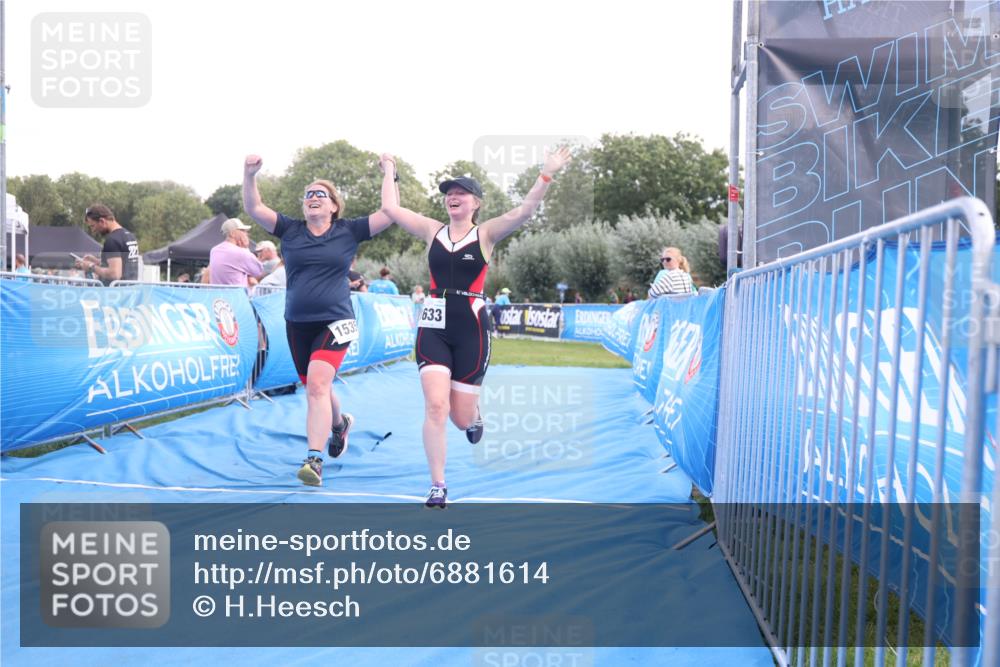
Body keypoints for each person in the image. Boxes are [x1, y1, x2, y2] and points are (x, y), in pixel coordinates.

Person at [379, 148, 571, 508]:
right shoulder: (432, 230)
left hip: (471, 326)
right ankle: (438, 484)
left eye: (461, 192)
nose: (452, 196)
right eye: (449, 192)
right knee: (435, 407)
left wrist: (545, 174)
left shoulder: (486, 233)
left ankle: (474, 415)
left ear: (476, 203)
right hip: (434, 323)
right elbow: (391, 209)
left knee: (459, 416)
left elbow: (525, 211)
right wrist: (389, 169)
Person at [243, 154, 395, 487]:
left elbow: (388, 213)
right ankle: (339, 425)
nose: (312, 197)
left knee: (317, 386)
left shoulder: (348, 230)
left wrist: (390, 174)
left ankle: (314, 459)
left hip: (336, 320)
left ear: (334, 206)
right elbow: (254, 209)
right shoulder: (290, 230)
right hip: (297, 322)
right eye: (308, 194)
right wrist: (249, 174)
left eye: (320, 194)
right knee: (316, 387)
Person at [75, 204, 139, 285]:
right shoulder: (129, 235)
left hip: (116, 294)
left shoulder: (112, 240)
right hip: (131, 291)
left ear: (102, 221)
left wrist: (91, 267)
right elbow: (123, 264)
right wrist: (97, 261)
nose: (93, 230)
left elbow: (115, 274)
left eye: (93, 226)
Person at [207, 218, 264, 289]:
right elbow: (259, 271)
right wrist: (245, 248)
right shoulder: (241, 252)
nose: (246, 234)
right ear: (232, 233)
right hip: (237, 297)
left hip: (219, 297)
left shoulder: (214, 250)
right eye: (242, 231)